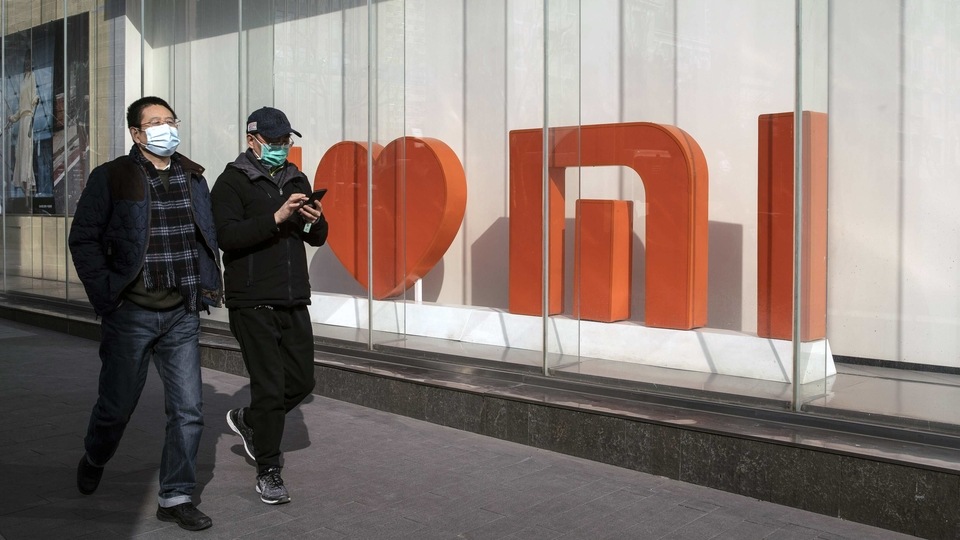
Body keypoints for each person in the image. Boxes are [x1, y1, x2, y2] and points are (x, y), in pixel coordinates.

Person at [69, 96, 223, 531]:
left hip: (181, 311)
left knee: (189, 410)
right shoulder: (112, 177)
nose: (164, 128)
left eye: (169, 120)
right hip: (130, 312)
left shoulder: (194, 178)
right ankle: (96, 455)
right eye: (153, 122)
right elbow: (84, 240)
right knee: (116, 407)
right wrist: (107, 297)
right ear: (136, 134)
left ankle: (176, 496)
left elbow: (206, 236)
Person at [210, 106, 327, 505]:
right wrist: (276, 216)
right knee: (269, 386)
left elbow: (316, 238)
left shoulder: (296, 177)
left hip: (294, 297)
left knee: (303, 380)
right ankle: (268, 471)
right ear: (252, 140)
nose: (281, 148)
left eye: (285, 141)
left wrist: (314, 219)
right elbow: (227, 237)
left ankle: (249, 420)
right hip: (252, 300)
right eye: (274, 141)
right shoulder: (231, 182)